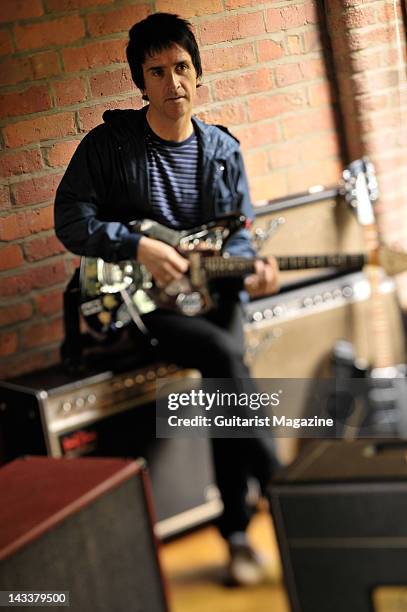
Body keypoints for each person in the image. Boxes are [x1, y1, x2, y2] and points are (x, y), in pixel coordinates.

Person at [55, 12, 280, 586]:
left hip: (217, 294)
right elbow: (71, 220)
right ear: (141, 82)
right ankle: (281, 492)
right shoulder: (109, 145)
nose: (172, 82)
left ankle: (237, 534)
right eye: (157, 72)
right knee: (230, 365)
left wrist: (253, 268)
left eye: (181, 67)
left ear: (197, 72)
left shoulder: (223, 148)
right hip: (145, 304)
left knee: (228, 380)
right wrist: (136, 245)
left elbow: (241, 231)